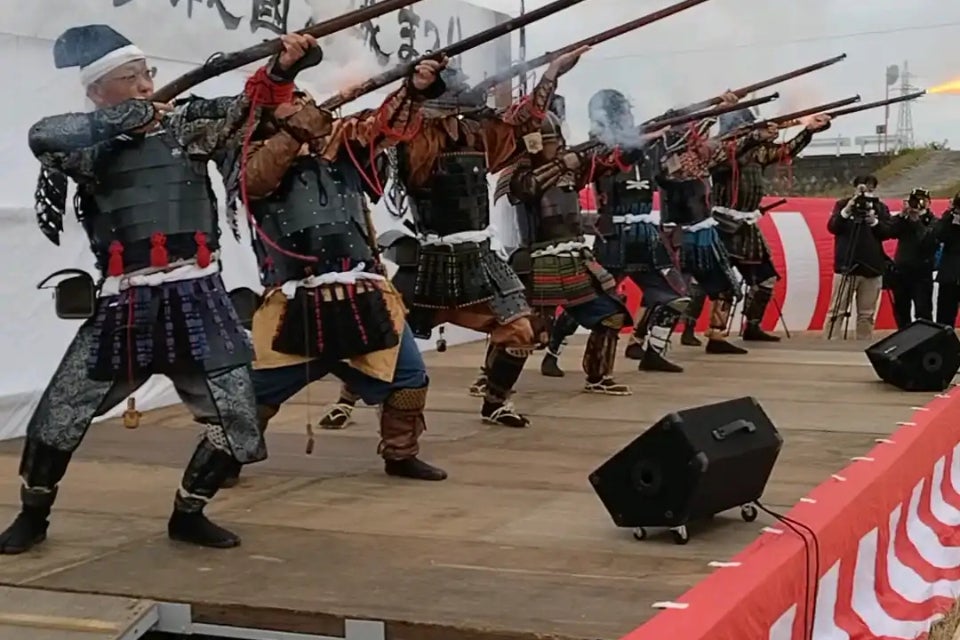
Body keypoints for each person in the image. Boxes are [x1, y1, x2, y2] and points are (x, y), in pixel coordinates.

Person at [0, 25, 314, 554]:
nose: (146, 85)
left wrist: (283, 69)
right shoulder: (87, 146)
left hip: (199, 298)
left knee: (238, 421)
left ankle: (189, 513)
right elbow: (42, 135)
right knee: (57, 418)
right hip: (126, 302)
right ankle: (33, 516)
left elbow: (247, 109)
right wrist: (126, 119)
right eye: (130, 78)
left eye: (147, 74)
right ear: (97, 91)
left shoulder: (186, 125)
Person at [227, 46, 450, 485]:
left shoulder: (342, 145)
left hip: (364, 289)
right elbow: (256, 180)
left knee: (409, 377)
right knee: (254, 392)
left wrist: (414, 90)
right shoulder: (246, 153)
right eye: (292, 102)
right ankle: (225, 458)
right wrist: (294, 133)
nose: (303, 105)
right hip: (293, 299)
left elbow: (384, 128)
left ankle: (401, 453)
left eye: (305, 100)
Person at [347, 47, 588, 430]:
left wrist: (551, 74)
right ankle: (346, 399)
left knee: (521, 330)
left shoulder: (475, 133)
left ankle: (495, 402)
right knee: (383, 334)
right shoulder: (413, 137)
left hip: (479, 256)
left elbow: (524, 124)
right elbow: (391, 128)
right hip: (429, 259)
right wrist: (417, 92)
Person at [500, 109, 642, 394]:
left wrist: (638, 141)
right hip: (537, 261)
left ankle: (598, 377)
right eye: (550, 142)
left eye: (557, 141)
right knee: (522, 329)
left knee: (610, 315)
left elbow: (609, 165)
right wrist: (563, 163)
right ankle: (491, 381)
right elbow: (528, 188)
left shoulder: (570, 169)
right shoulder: (517, 172)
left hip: (573, 257)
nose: (556, 147)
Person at [649, 94, 767, 356]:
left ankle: (715, 337)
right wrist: (716, 112)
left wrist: (756, 136)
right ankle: (650, 347)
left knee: (725, 289)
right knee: (676, 295)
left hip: (704, 233)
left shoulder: (697, 155)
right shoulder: (672, 155)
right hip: (682, 236)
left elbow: (730, 148)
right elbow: (689, 152)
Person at [710, 110, 832, 341]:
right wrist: (754, 136)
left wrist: (808, 130)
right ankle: (711, 333)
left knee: (766, 279)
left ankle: (752, 325)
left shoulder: (758, 151)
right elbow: (731, 154)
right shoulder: (720, 151)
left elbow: (785, 151)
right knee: (722, 282)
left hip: (747, 225)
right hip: (723, 225)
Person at [823, 175, 893, 340]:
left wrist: (874, 221)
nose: (866, 190)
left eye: (870, 187)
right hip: (847, 266)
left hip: (872, 267)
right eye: (863, 186)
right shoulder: (843, 204)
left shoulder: (880, 207)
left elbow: (888, 232)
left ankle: (863, 343)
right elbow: (833, 227)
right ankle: (830, 343)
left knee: (866, 314)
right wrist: (847, 210)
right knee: (837, 311)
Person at [888, 188, 936, 328]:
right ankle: (903, 334)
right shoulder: (904, 220)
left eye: (922, 200)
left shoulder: (933, 221)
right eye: (915, 200)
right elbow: (889, 231)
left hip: (922, 273)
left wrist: (916, 221)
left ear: (928, 202)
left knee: (923, 309)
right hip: (901, 271)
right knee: (901, 309)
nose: (918, 204)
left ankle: (924, 336)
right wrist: (901, 216)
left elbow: (927, 241)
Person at [934, 193, 960, 327]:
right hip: (950, 276)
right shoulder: (949, 221)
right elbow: (938, 235)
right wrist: (950, 215)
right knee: (945, 318)